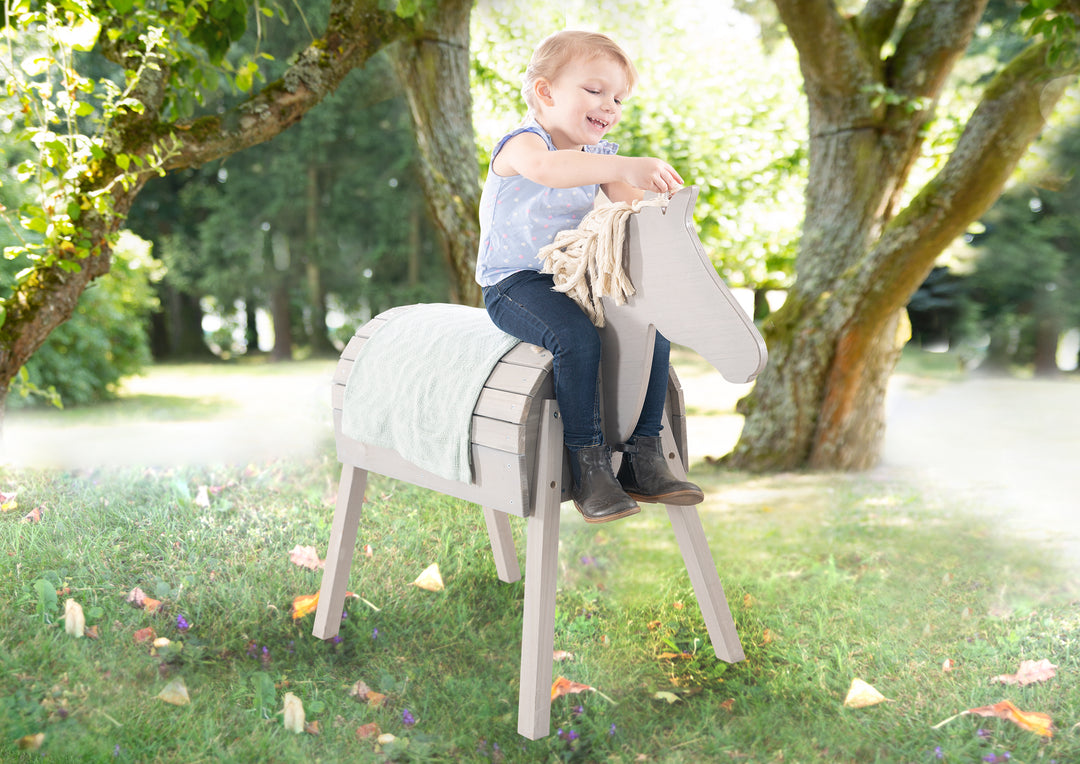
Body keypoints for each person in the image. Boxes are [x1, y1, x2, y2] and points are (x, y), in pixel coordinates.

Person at [476, 30, 704, 524]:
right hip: (514, 283)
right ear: (545, 92)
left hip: (568, 278)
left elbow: (635, 208)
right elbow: (551, 171)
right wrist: (625, 164)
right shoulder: (524, 146)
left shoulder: (599, 160)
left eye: (619, 98)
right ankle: (589, 465)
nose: (610, 106)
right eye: (596, 91)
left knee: (652, 324)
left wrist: (664, 207)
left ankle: (645, 453)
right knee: (574, 337)